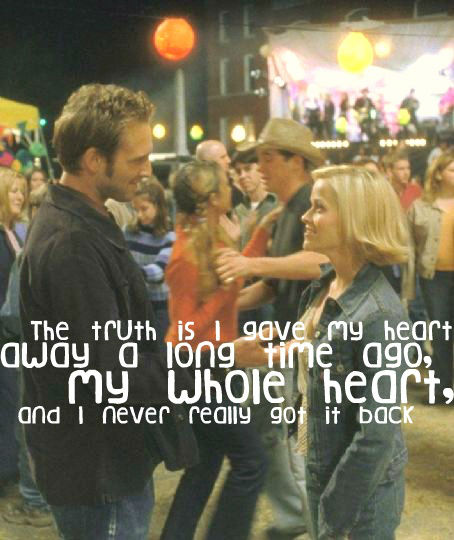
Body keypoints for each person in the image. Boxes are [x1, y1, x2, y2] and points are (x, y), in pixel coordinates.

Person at [19, 83, 191, 540]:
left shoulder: (81, 220)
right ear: (94, 160)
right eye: (137, 160)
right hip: (96, 470)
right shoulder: (72, 242)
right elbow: (114, 371)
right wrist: (219, 360)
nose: (147, 171)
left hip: (102, 461)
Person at [234, 165, 409, 539]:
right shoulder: (325, 286)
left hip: (357, 494)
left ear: (353, 220)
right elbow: (317, 352)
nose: (305, 216)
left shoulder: (380, 313)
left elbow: (376, 434)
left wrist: (334, 510)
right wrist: (269, 356)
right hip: (321, 466)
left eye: (319, 207)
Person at [216, 118, 326, 540]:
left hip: (305, 345)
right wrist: (227, 305)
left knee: (294, 442)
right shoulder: (287, 209)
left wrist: (251, 263)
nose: (259, 167)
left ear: (295, 160)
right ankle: (295, 514)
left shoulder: (313, 202)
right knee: (264, 430)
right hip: (282, 342)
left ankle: (309, 520)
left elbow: (320, 263)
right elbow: (276, 285)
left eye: (267, 157)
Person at [161, 159, 271, 540]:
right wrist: (225, 292)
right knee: (251, 462)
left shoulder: (208, 237)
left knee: (205, 465)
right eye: (225, 183)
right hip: (197, 367)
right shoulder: (185, 253)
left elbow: (237, 271)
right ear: (210, 199)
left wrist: (265, 229)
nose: (232, 186)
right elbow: (185, 329)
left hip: (209, 366)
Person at [407, 151, 454, 403]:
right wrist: (408, 288)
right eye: (452, 170)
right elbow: (410, 250)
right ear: (438, 174)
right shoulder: (420, 207)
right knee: (441, 334)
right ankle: (442, 389)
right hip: (434, 278)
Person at [124, 176, 175, 352]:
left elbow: (159, 271)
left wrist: (131, 273)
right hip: (136, 304)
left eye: (144, 209)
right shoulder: (129, 232)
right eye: (135, 209)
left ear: (158, 206)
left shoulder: (170, 236)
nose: (139, 215)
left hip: (160, 308)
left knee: (159, 354)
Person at [0, 166, 27, 495]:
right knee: (8, 403)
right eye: (13, 191)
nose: (19, 196)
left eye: (22, 190)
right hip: (3, 334)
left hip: (12, 334)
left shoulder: (14, 232)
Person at [196, 139, 243, 207]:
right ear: (207, 162)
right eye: (222, 157)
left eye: (227, 156)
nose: (229, 160)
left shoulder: (234, 190)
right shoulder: (197, 193)